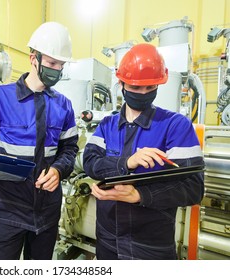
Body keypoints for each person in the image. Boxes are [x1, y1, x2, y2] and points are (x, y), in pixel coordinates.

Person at [0, 22, 79, 260]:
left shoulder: (64, 105)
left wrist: (58, 170)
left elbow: (69, 149)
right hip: (8, 210)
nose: (56, 70)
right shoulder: (1, 97)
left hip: (47, 213)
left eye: (61, 65)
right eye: (51, 63)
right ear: (33, 58)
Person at [83, 43, 205, 260]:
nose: (143, 93)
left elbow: (193, 187)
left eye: (150, 88)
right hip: (107, 241)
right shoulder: (108, 125)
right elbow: (90, 162)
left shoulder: (175, 125)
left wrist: (140, 195)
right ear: (121, 83)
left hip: (151, 248)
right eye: (136, 88)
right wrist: (126, 162)